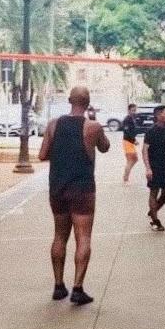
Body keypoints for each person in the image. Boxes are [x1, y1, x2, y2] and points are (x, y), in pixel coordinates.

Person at [37, 86, 110, 305]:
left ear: (70, 100)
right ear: (88, 103)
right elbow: (105, 147)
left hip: (57, 187)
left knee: (60, 235)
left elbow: (42, 155)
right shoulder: (92, 127)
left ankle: (58, 286)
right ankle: (78, 288)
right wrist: (95, 125)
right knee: (83, 237)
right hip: (83, 188)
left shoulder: (53, 125)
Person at [143, 105, 165, 231]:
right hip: (154, 167)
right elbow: (145, 150)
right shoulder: (151, 131)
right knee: (154, 192)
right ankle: (155, 221)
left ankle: (154, 210)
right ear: (158, 116)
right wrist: (148, 168)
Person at [120, 103, 139, 184]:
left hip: (130, 141)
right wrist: (134, 140)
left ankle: (125, 176)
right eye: (132, 110)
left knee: (135, 159)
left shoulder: (132, 118)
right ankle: (125, 179)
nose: (134, 112)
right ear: (128, 110)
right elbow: (127, 131)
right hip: (127, 141)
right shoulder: (127, 119)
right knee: (131, 160)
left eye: (135, 110)